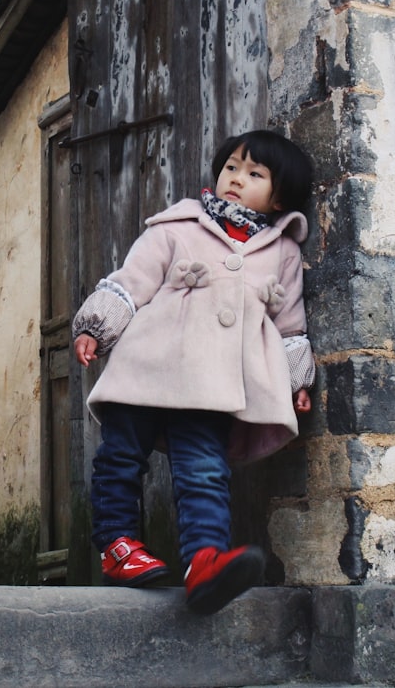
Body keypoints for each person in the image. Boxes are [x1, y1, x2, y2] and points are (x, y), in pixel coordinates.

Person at [72, 129, 315, 615]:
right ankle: (118, 546)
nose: (237, 179)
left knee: (204, 469)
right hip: (148, 364)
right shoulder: (177, 227)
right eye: (231, 167)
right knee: (122, 455)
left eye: (254, 173)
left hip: (212, 383)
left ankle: (205, 563)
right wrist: (96, 327)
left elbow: (290, 325)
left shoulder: (282, 252)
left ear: (279, 195)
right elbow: (130, 283)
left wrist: (297, 380)